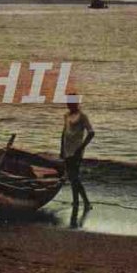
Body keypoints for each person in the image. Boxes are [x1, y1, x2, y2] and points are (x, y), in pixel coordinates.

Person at [61, 94, 95, 227]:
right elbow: (64, 132)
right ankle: (80, 201)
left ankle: (83, 201)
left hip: (76, 151)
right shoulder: (66, 115)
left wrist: (81, 147)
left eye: (71, 103)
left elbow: (91, 132)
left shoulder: (82, 116)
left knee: (74, 176)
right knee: (71, 177)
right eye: (68, 103)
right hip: (67, 149)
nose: (69, 105)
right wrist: (61, 149)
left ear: (76, 103)